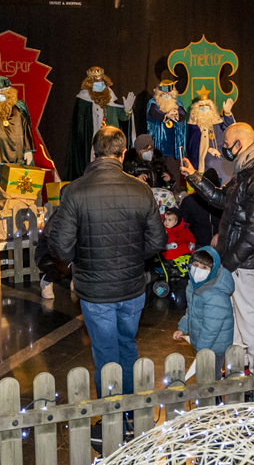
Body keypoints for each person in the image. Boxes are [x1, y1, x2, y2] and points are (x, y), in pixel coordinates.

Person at [47, 126, 166, 398]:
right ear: (123, 154)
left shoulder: (74, 190)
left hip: (95, 290)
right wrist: (133, 257)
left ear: (93, 152)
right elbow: (158, 240)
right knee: (127, 346)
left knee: (106, 353)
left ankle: (112, 413)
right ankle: (131, 409)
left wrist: (83, 260)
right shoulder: (141, 189)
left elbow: (61, 247)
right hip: (132, 286)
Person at [181, 123, 254, 367]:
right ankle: (239, 364)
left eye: (226, 145)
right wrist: (194, 176)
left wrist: (229, 262)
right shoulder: (244, 171)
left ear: (239, 143)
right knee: (234, 314)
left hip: (243, 262)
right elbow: (222, 198)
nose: (223, 149)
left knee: (248, 316)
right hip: (233, 259)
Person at [173, 247, 235, 380]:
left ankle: (215, 393)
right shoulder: (193, 286)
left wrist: (201, 348)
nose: (198, 270)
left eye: (204, 267)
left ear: (213, 270)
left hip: (215, 345)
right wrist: (182, 328)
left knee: (211, 378)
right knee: (204, 377)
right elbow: (191, 310)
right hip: (202, 343)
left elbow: (212, 327)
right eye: (195, 265)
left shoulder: (215, 294)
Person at [0, 75, 36, 195]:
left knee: (17, 188)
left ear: (9, 91)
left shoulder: (19, 106)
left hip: (17, 156)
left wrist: (28, 150)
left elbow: (27, 128)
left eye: (2, 91)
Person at [179, 167, 223, 248]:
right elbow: (182, 224)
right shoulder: (190, 200)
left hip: (217, 245)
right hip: (195, 245)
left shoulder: (222, 201)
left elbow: (230, 222)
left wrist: (220, 234)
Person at [161, 207, 196, 277]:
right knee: (170, 256)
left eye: (169, 220)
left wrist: (191, 243)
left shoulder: (183, 228)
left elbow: (189, 237)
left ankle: (190, 270)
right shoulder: (163, 230)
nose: (166, 222)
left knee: (192, 257)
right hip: (171, 250)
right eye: (165, 219)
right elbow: (159, 242)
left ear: (177, 221)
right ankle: (177, 271)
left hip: (184, 250)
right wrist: (167, 246)